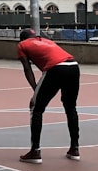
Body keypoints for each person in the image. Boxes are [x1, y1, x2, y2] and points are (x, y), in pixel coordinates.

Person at [15, 29, 81, 163]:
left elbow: (27, 69)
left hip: (56, 68)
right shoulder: (47, 41)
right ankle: (74, 149)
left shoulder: (22, 45)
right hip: (73, 66)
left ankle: (35, 151)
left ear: (22, 39)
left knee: (36, 107)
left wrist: (35, 90)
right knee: (70, 108)